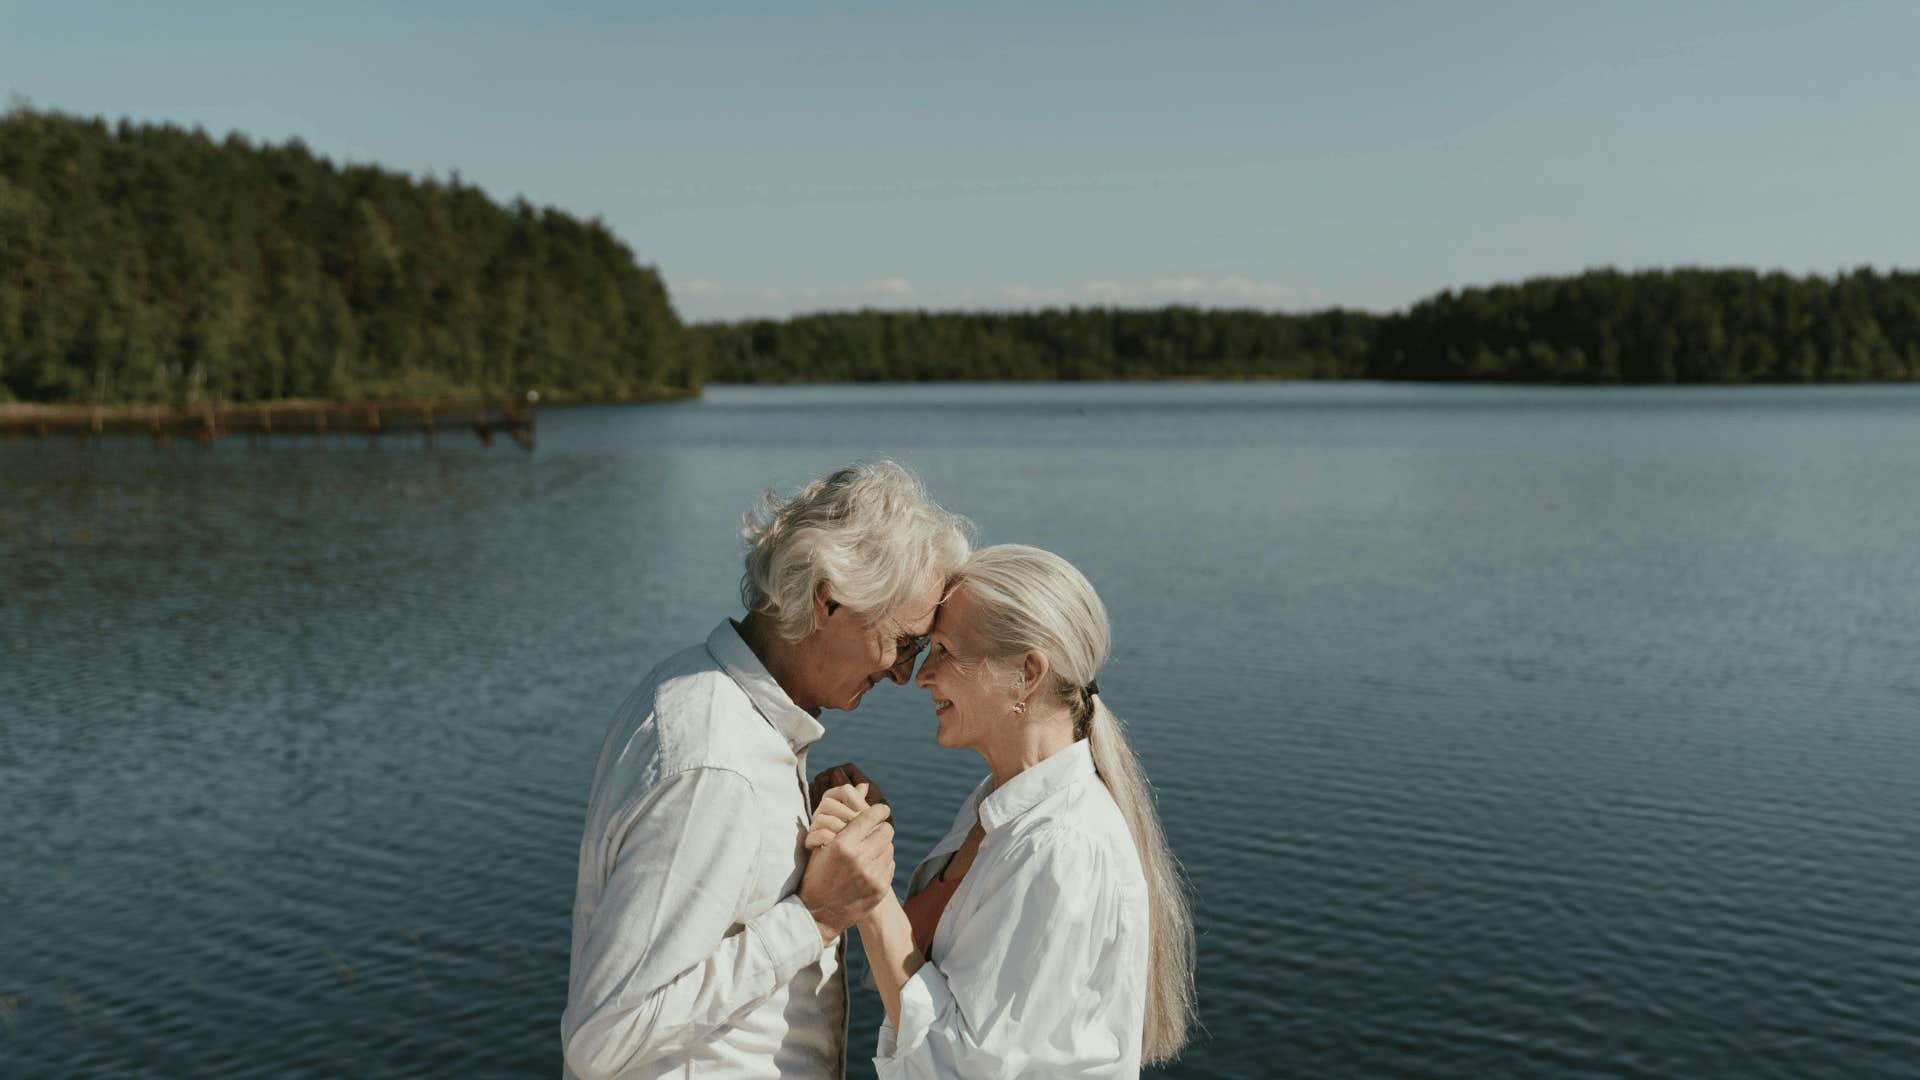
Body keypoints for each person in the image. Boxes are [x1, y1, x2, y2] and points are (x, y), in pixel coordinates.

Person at [562, 461, 972, 1080]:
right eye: (905, 641)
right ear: (827, 600)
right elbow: (603, 1039)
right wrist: (816, 915)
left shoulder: (705, 696)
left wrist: (796, 817)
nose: (903, 673)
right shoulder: (717, 765)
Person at [808, 544, 1196, 1078]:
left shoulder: (1059, 847)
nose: (921, 675)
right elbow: (922, 973)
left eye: (944, 650)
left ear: (1027, 673)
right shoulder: (996, 808)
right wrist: (865, 851)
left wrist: (871, 898)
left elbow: (958, 1066)